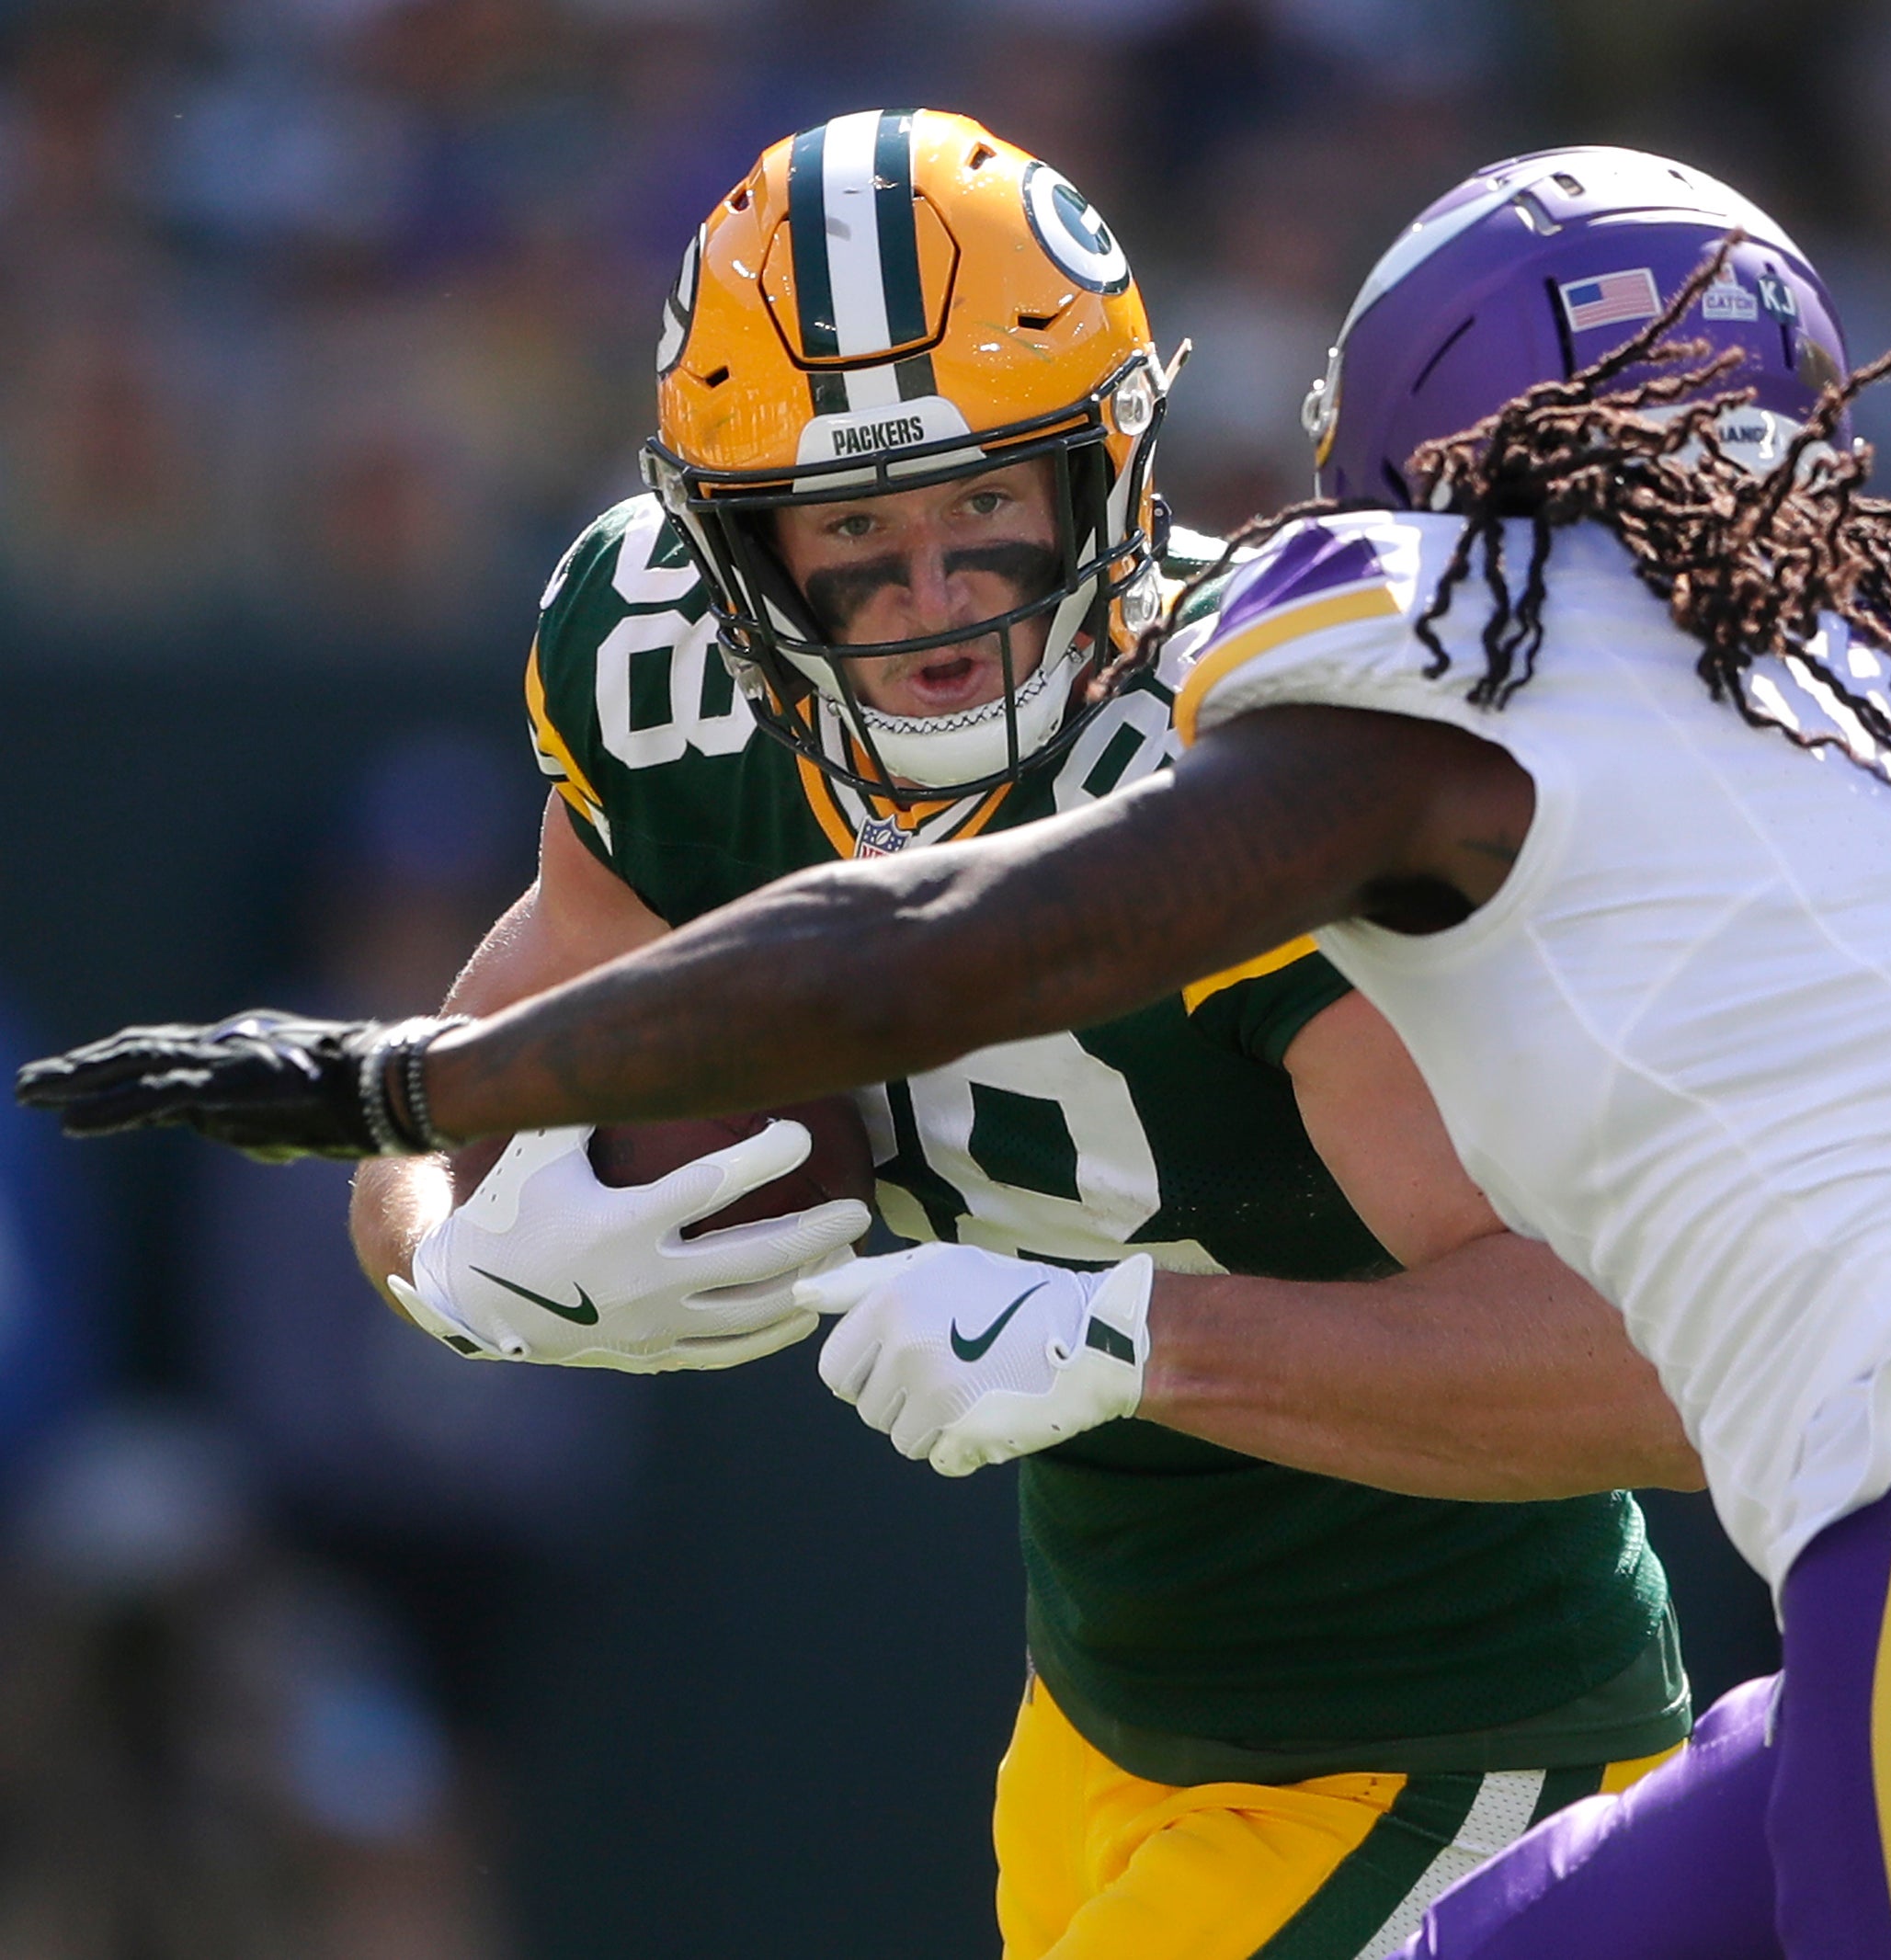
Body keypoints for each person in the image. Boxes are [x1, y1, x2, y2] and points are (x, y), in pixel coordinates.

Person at [19, 147, 1891, 1955]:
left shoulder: (1433, 678)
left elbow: (929, 939)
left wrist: (397, 1096)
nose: (936, 597)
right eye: (853, 536)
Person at [353, 110, 1711, 1960]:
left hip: (1453, 1741)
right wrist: (449, 1259)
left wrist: (1131, 1333)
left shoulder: (1270, 766)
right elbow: (446, 1077)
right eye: (855, 531)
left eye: (988, 508)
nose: (933, 606)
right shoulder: (666, 681)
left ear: (1111, 469)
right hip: (1103, 1719)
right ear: (730, 548)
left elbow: (1646, 1365)